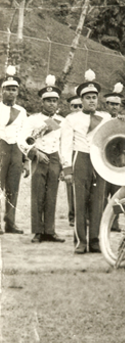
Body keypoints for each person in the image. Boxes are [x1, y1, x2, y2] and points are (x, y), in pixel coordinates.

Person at [60, 69, 113, 254]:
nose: (91, 100)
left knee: (98, 202)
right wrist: (67, 169)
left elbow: (113, 136)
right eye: (88, 97)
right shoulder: (71, 119)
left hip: (99, 161)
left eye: (94, 97)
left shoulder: (106, 118)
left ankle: (95, 240)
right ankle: (81, 241)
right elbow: (65, 145)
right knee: (80, 202)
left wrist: (121, 119)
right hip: (80, 159)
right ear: (81, 100)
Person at [18, 74, 65, 243]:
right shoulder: (33, 120)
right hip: (39, 157)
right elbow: (21, 140)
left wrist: (62, 164)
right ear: (42, 102)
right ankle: (38, 231)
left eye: (54, 101)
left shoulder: (61, 121)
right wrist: (34, 152)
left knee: (51, 194)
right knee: (38, 194)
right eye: (48, 101)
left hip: (54, 158)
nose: (52, 104)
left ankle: (50, 231)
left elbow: (63, 144)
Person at [0, 65, 28, 234]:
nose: (11, 93)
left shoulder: (22, 111)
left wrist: (25, 160)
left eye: (14, 90)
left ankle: (10, 222)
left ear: (18, 92)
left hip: (16, 150)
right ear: (2, 91)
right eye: (8, 89)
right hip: (0, 148)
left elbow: (24, 137)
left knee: (13, 187)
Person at [103, 83, 125, 233]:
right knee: (102, 193)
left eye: (117, 105)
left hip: (117, 161)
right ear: (106, 105)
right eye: (111, 104)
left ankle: (115, 222)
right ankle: (103, 220)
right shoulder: (101, 118)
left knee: (116, 193)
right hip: (103, 159)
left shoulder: (124, 119)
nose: (114, 107)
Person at [62, 95, 83, 227]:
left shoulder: (87, 120)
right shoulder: (66, 121)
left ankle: (84, 217)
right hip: (69, 158)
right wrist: (63, 168)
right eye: (74, 106)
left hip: (83, 157)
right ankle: (72, 216)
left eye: (80, 106)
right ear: (70, 107)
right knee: (71, 189)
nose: (77, 108)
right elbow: (62, 144)